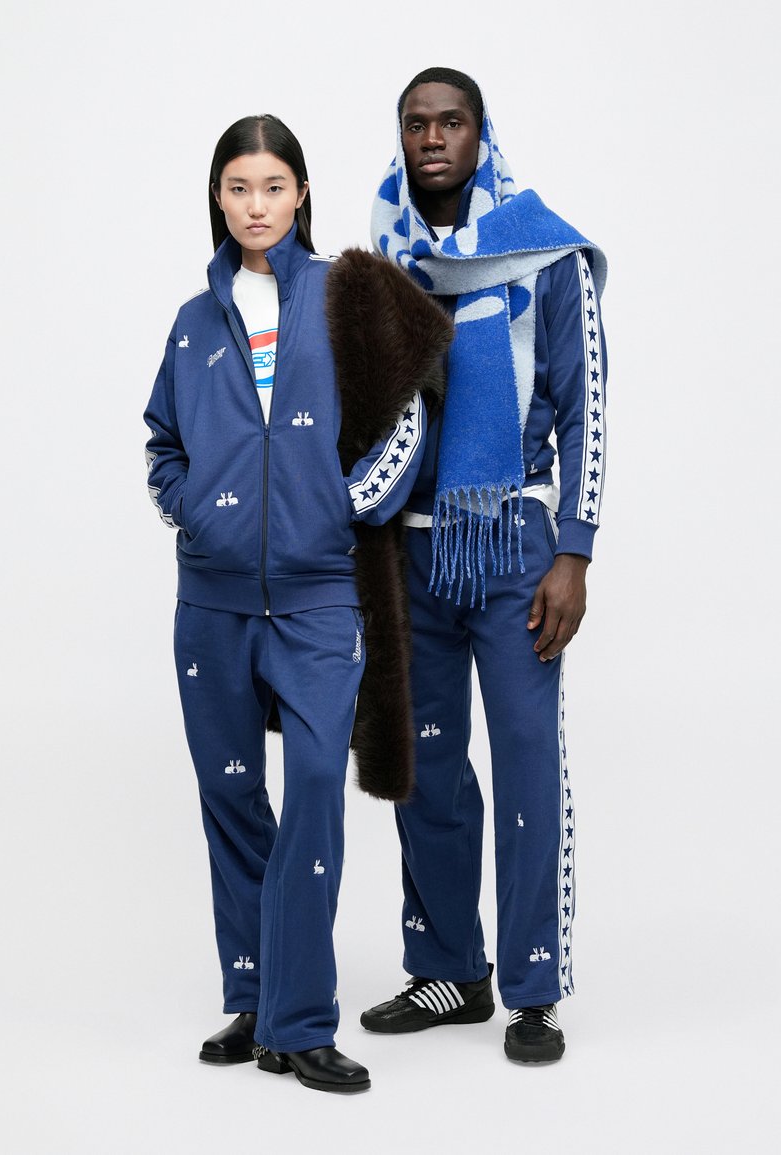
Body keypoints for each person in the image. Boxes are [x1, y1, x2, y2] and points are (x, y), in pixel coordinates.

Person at [143, 114, 452, 1094]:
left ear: (301, 194)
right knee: (232, 797)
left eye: (273, 186)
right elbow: (162, 443)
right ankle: (254, 1002)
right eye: (239, 188)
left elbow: (409, 411)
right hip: (213, 602)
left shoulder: (343, 297)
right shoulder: (194, 322)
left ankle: (301, 1021)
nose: (256, 206)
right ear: (219, 197)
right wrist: (194, 513)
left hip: (320, 597)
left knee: (317, 785)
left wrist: (340, 506)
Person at [360, 68, 608, 1063]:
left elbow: (586, 406)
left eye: (450, 121)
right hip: (409, 554)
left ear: (479, 135)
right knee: (422, 767)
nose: (432, 137)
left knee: (526, 759)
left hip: (514, 548)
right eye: (415, 123)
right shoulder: (381, 262)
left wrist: (574, 550)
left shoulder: (543, 252)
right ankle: (451, 970)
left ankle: (533, 987)